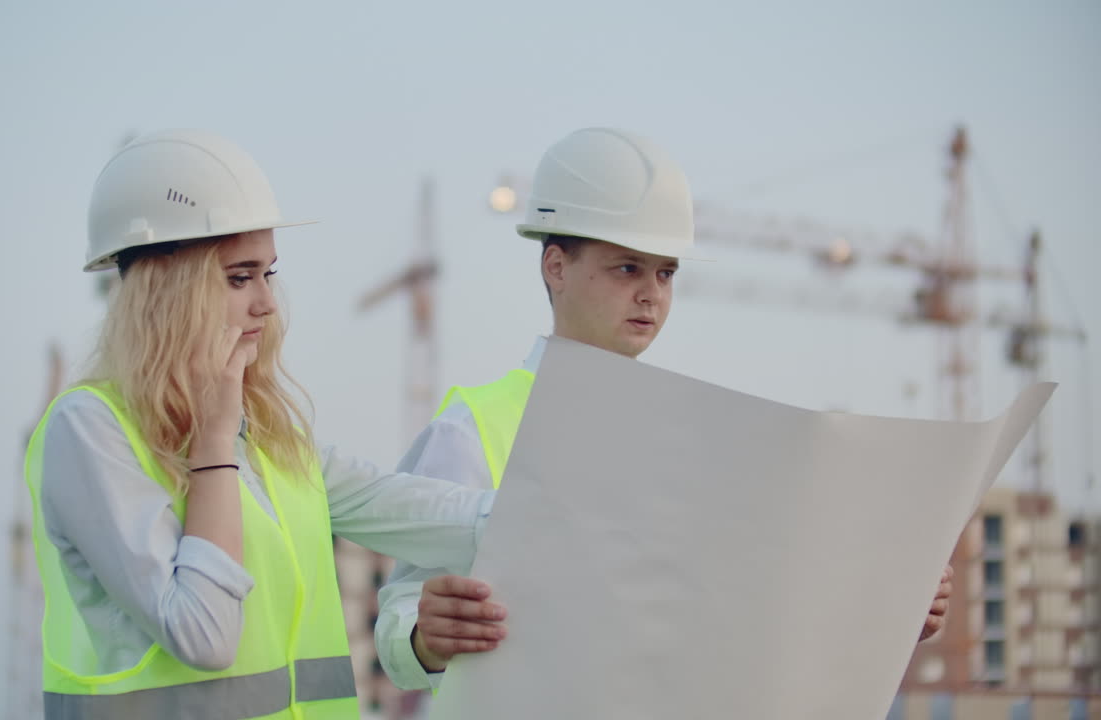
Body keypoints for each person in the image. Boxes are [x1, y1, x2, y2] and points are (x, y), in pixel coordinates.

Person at [373, 127, 954, 691]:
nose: (651, 292)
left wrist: (888, 606)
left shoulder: (696, 438)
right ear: (556, 266)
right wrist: (426, 638)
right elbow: (399, 627)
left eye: (666, 273)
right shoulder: (472, 428)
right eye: (628, 267)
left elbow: (748, 607)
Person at [25, 129, 493, 719]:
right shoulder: (90, 430)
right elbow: (204, 634)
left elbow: (427, 513)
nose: (267, 303)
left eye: (268, 274)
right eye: (239, 277)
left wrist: (580, 519)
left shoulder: (266, 439)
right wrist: (214, 443)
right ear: (165, 290)